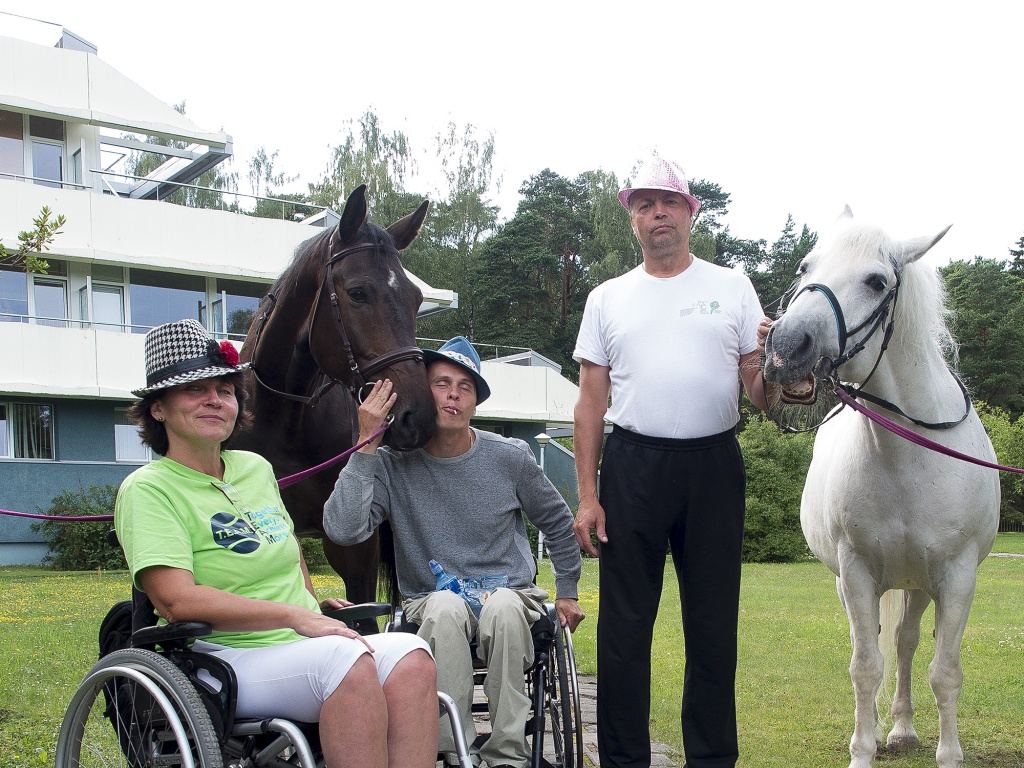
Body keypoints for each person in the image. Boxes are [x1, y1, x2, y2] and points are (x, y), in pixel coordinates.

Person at [115, 318, 438, 768]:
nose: (214, 400)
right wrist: (292, 616)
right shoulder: (149, 489)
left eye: (224, 390)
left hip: (298, 641)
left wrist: (309, 604)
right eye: (194, 390)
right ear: (157, 409)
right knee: (345, 662)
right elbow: (176, 601)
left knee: (412, 656)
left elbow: (286, 547)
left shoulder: (254, 468)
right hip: (226, 655)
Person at [572, 158, 774, 768]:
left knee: (713, 626)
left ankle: (711, 759)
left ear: (690, 212)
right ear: (633, 219)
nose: (657, 213)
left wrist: (780, 370)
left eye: (669, 202)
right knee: (624, 627)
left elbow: (760, 392)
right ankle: (623, 760)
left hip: (714, 466)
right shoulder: (607, 298)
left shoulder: (733, 286)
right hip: (633, 466)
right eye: (644, 204)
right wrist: (588, 495)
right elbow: (590, 403)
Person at [324, 336, 585, 768]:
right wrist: (366, 444)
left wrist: (568, 590)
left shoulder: (511, 457)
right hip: (431, 599)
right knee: (445, 608)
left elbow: (558, 523)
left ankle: (507, 755)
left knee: (503, 606)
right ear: (421, 393)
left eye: (465, 387)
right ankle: (454, 751)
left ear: (475, 403)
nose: (453, 395)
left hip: (510, 594)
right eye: (442, 383)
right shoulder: (391, 463)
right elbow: (344, 529)